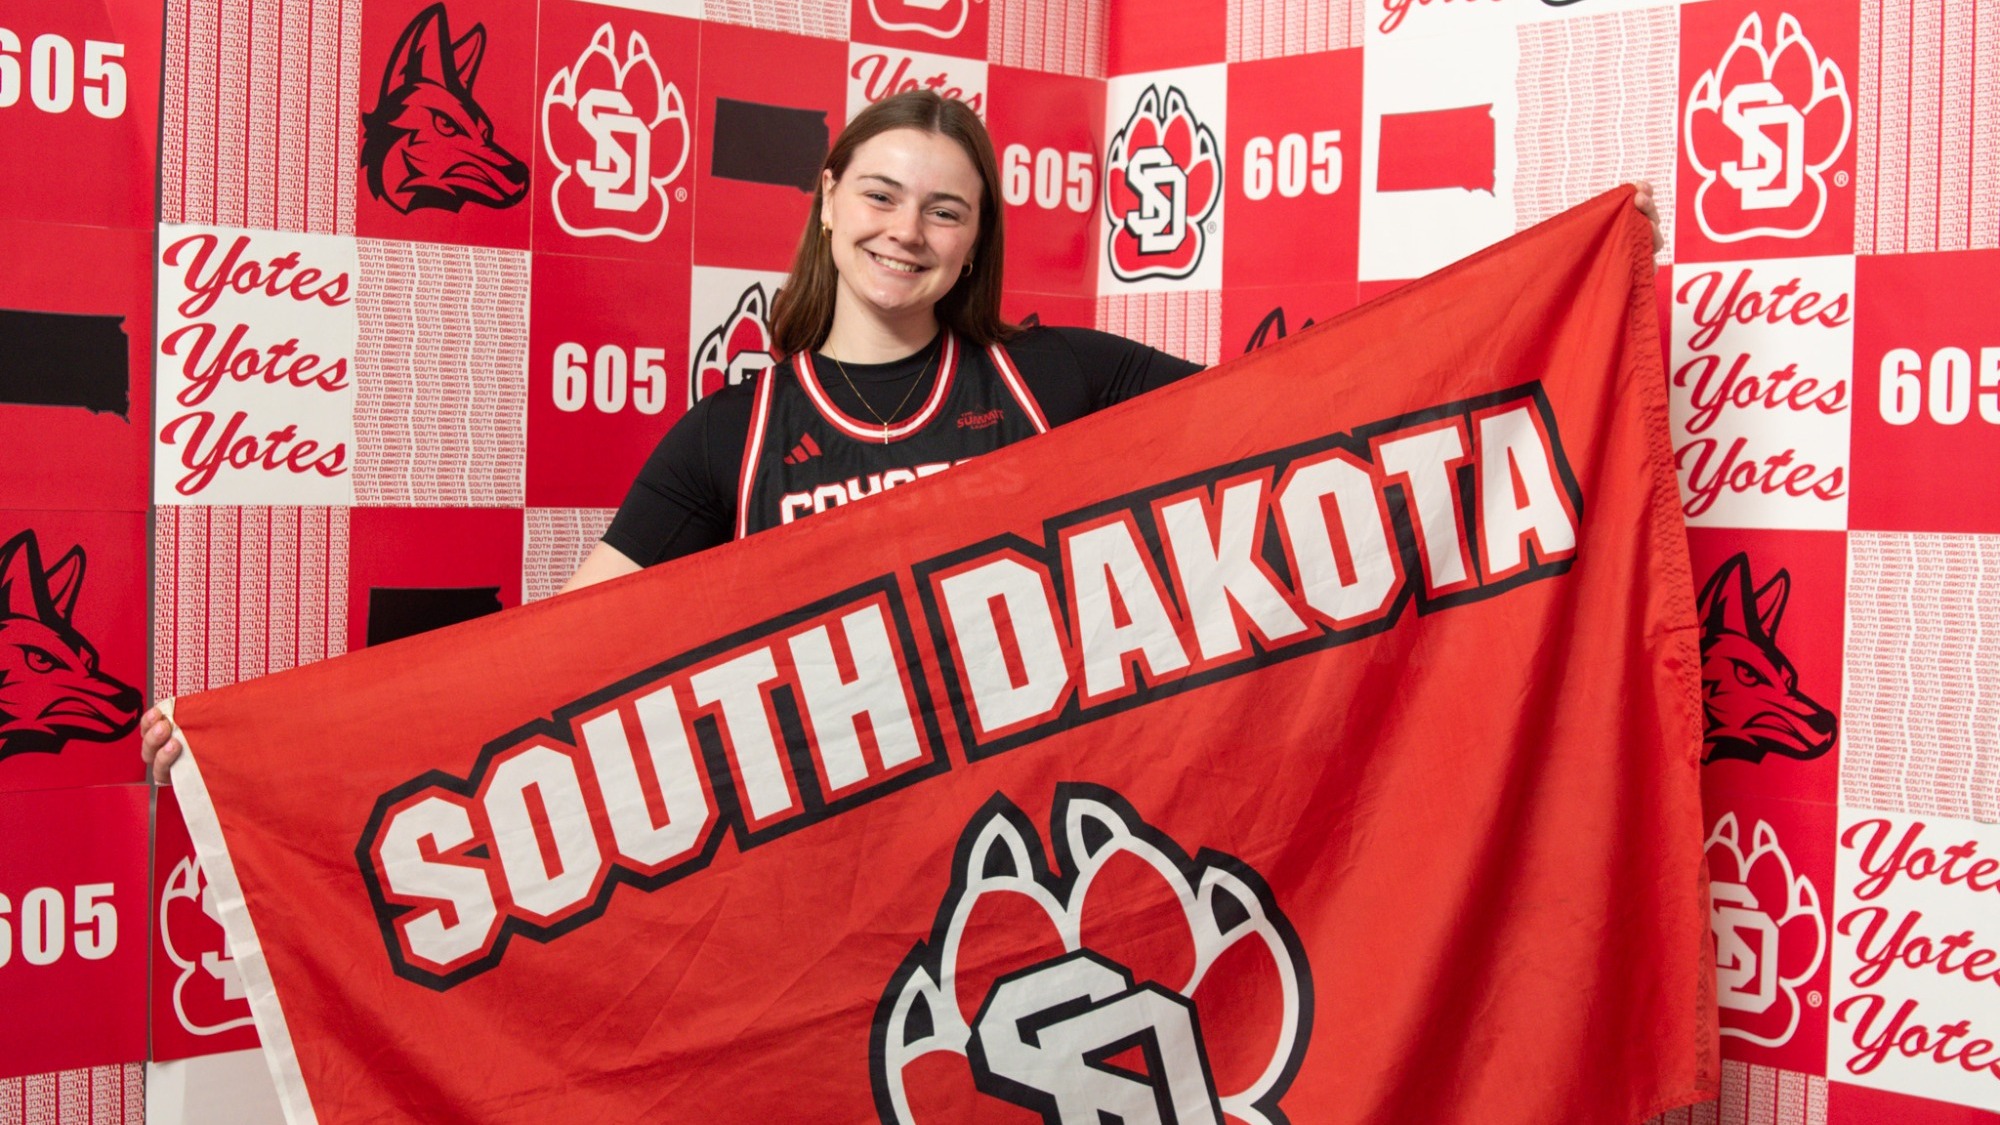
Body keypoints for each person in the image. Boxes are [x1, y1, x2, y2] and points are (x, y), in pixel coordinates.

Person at [140, 91, 1663, 781]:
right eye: (881, 195)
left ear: (976, 234)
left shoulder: (1057, 378)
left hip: (1031, 826)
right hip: (806, 853)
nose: (908, 230)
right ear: (826, 203)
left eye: (946, 207)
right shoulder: (729, 435)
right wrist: (260, 736)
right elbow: (549, 655)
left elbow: (1302, 409)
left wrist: (1557, 279)